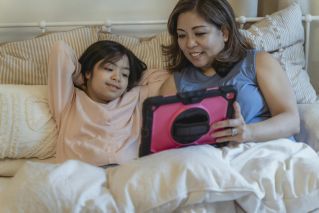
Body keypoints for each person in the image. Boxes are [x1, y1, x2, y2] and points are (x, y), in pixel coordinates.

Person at [159, 0, 300, 144]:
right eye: (181, 35)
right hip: (208, 162)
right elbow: (162, 138)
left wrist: (249, 132)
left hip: (268, 152)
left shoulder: (259, 62)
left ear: (225, 33)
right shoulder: (174, 84)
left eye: (200, 33)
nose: (189, 44)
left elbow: (292, 120)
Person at [48, 40, 148, 166]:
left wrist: (131, 81)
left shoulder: (133, 98)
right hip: (81, 176)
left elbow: (162, 77)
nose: (117, 77)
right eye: (109, 68)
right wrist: (82, 77)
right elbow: (60, 50)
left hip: (125, 174)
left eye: (124, 74)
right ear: (89, 72)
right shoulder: (69, 101)